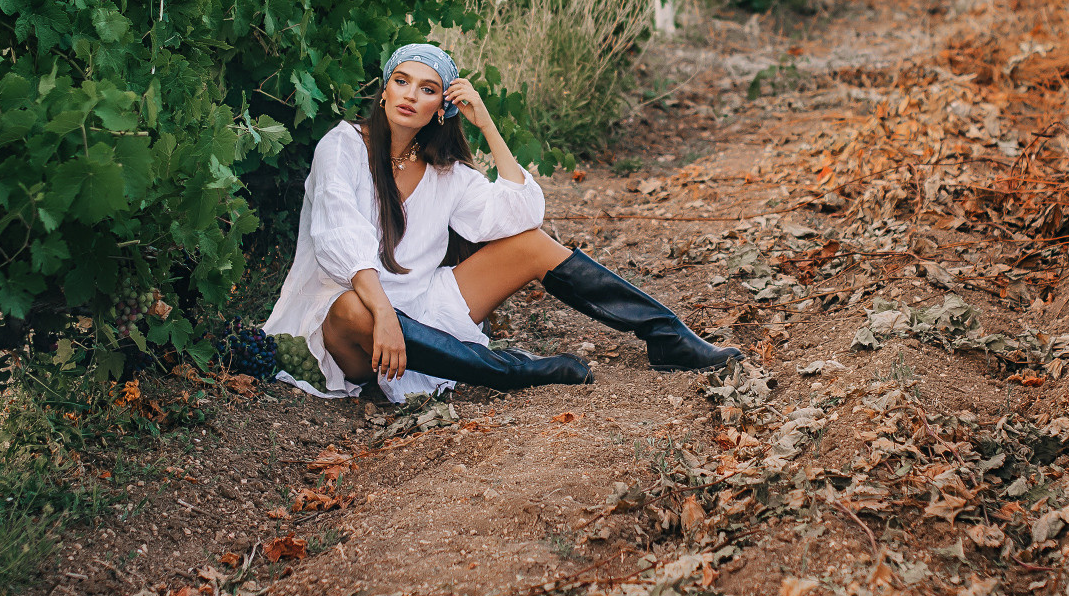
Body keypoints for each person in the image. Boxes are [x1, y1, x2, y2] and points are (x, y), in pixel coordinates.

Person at [259, 43, 741, 402]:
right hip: (357, 322)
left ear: (440, 108)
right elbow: (339, 235)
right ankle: (510, 372)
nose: (410, 96)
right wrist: (384, 315)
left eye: (427, 89)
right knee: (351, 308)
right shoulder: (342, 145)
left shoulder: (444, 173)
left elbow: (520, 216)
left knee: (531, 244)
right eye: (401, 81)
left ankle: (667, 336)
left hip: (424, 309)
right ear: (384, 89)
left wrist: (486, 123)